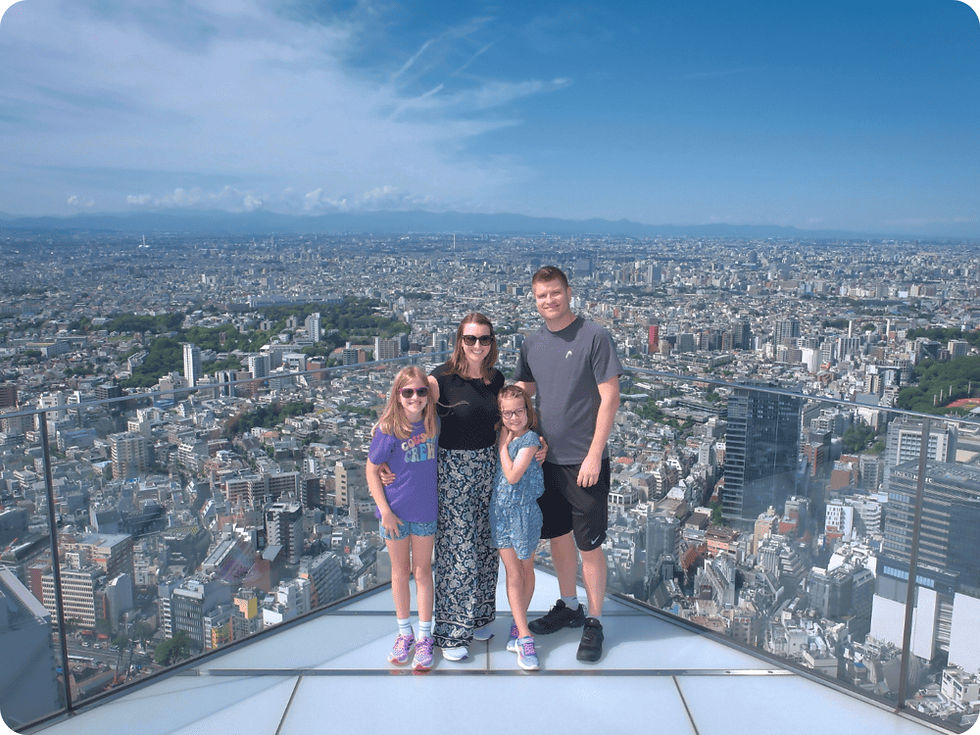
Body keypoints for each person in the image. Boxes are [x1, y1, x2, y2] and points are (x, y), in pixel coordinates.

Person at [514, 265, 621, 662]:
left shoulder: (594, 336)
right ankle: (569, 605)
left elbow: (610, 398)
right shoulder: (531, 343)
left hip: (584, 461)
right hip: (546, 459)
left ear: (568, 292)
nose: (549, 301)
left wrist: (595, 454)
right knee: (559, 536)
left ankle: (594, 620)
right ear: (535, 299)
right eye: (541, 296)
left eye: (555, 293)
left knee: (589, 544)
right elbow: (522, 394)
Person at [427, 313, 505, 661]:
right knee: (457, 551)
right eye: (470, 339)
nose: (477, 345)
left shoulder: (495, 379)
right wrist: (382, 445)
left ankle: (479, 616)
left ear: (492, 343)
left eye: (484, 339)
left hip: (489, 465)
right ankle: (450, 631)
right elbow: (407, 411)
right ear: (459, 340)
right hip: (453, 468)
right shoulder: (440, 379)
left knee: (487, 546)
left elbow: (506, 424)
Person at [365, 366, 439, 671]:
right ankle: (404, 633)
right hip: (394, 512)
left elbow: (435, 380)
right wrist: (385, 512)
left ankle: (424, 637)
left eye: (421, 391)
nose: (415, 397)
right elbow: (371, 469)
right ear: (397, 394)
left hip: (425, 510)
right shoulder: (388, 429)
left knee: (422, 571)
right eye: (407, 392)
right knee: (400, 571)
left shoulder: (433, 423)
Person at [491, 384, 545, 671]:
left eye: (518, 411)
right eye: (507, 413)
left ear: (528, 411)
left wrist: (502, 446)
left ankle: (521, 630)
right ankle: (521, 628)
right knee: (513, 572)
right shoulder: (510, 433)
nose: (513, 417)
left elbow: (512, 476)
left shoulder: (530, 440)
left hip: (523, 512)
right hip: (500, 510)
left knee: (525, 569)